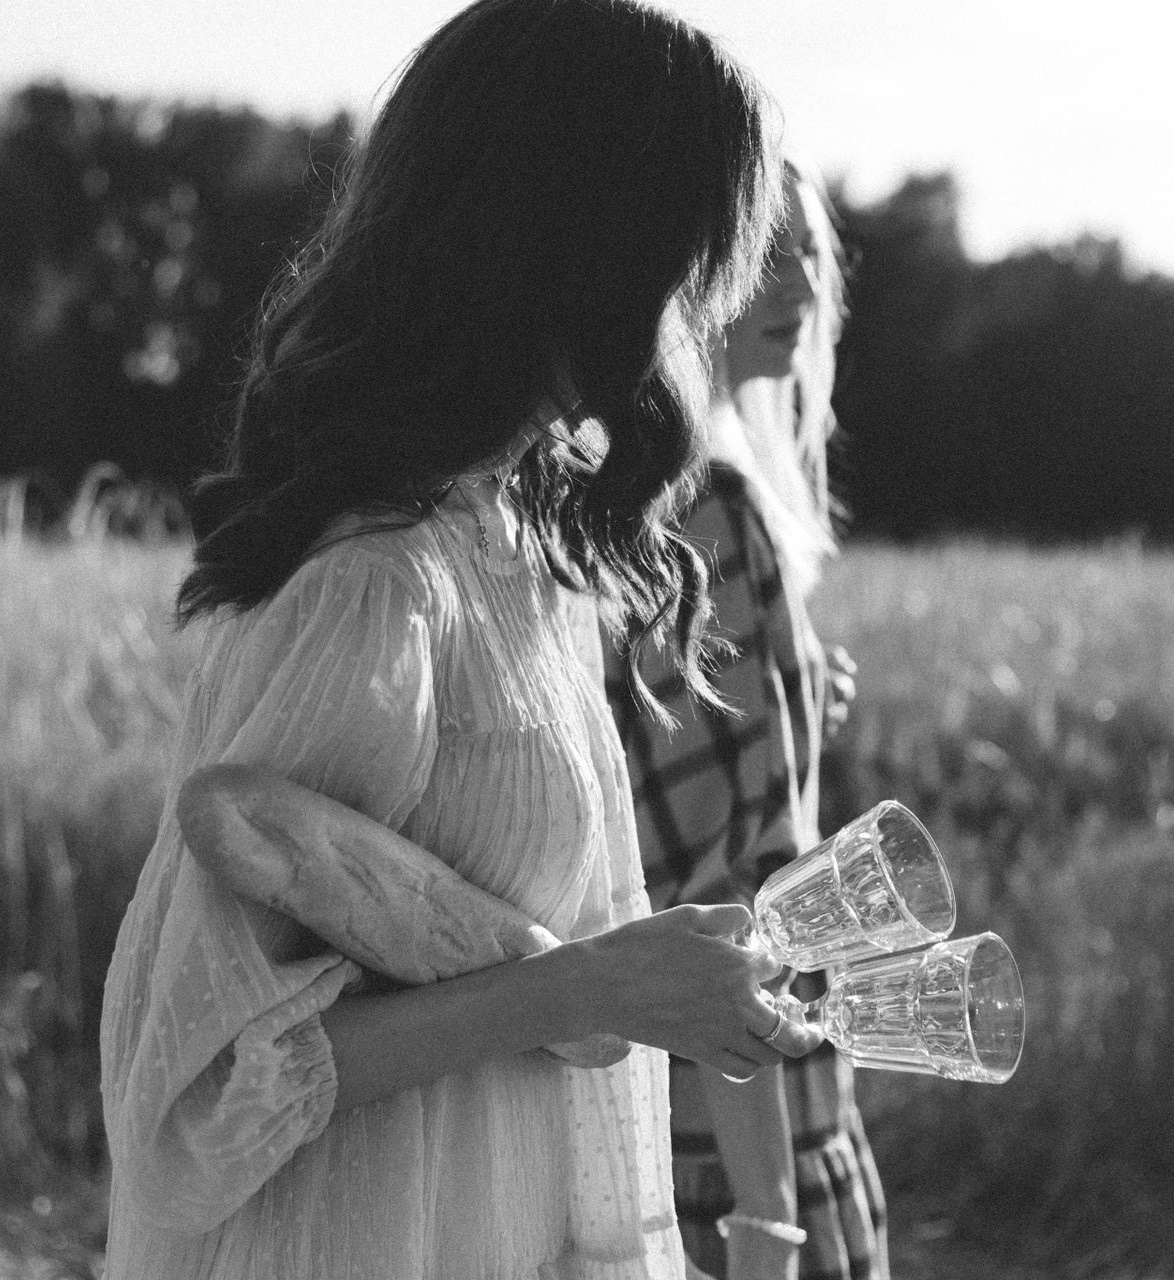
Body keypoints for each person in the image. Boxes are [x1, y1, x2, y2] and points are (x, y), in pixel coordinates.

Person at [96, 4, 820, 1278]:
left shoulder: (517, 553)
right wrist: (593, 987)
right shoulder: (375, 592)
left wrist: (632, 977)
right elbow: (191, 1095)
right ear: (596, 255)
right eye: (692, 261)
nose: (697, 316)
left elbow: (494, 964)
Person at [608, 163, 889, 1280]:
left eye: (811, 253)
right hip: (744, 1130)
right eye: (766, 253)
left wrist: (801, 694)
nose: (803, 286)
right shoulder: (708, 513)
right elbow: (730, 895)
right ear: (685, 274)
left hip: (685, 1106)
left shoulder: (641, 496)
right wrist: (771, 1216)